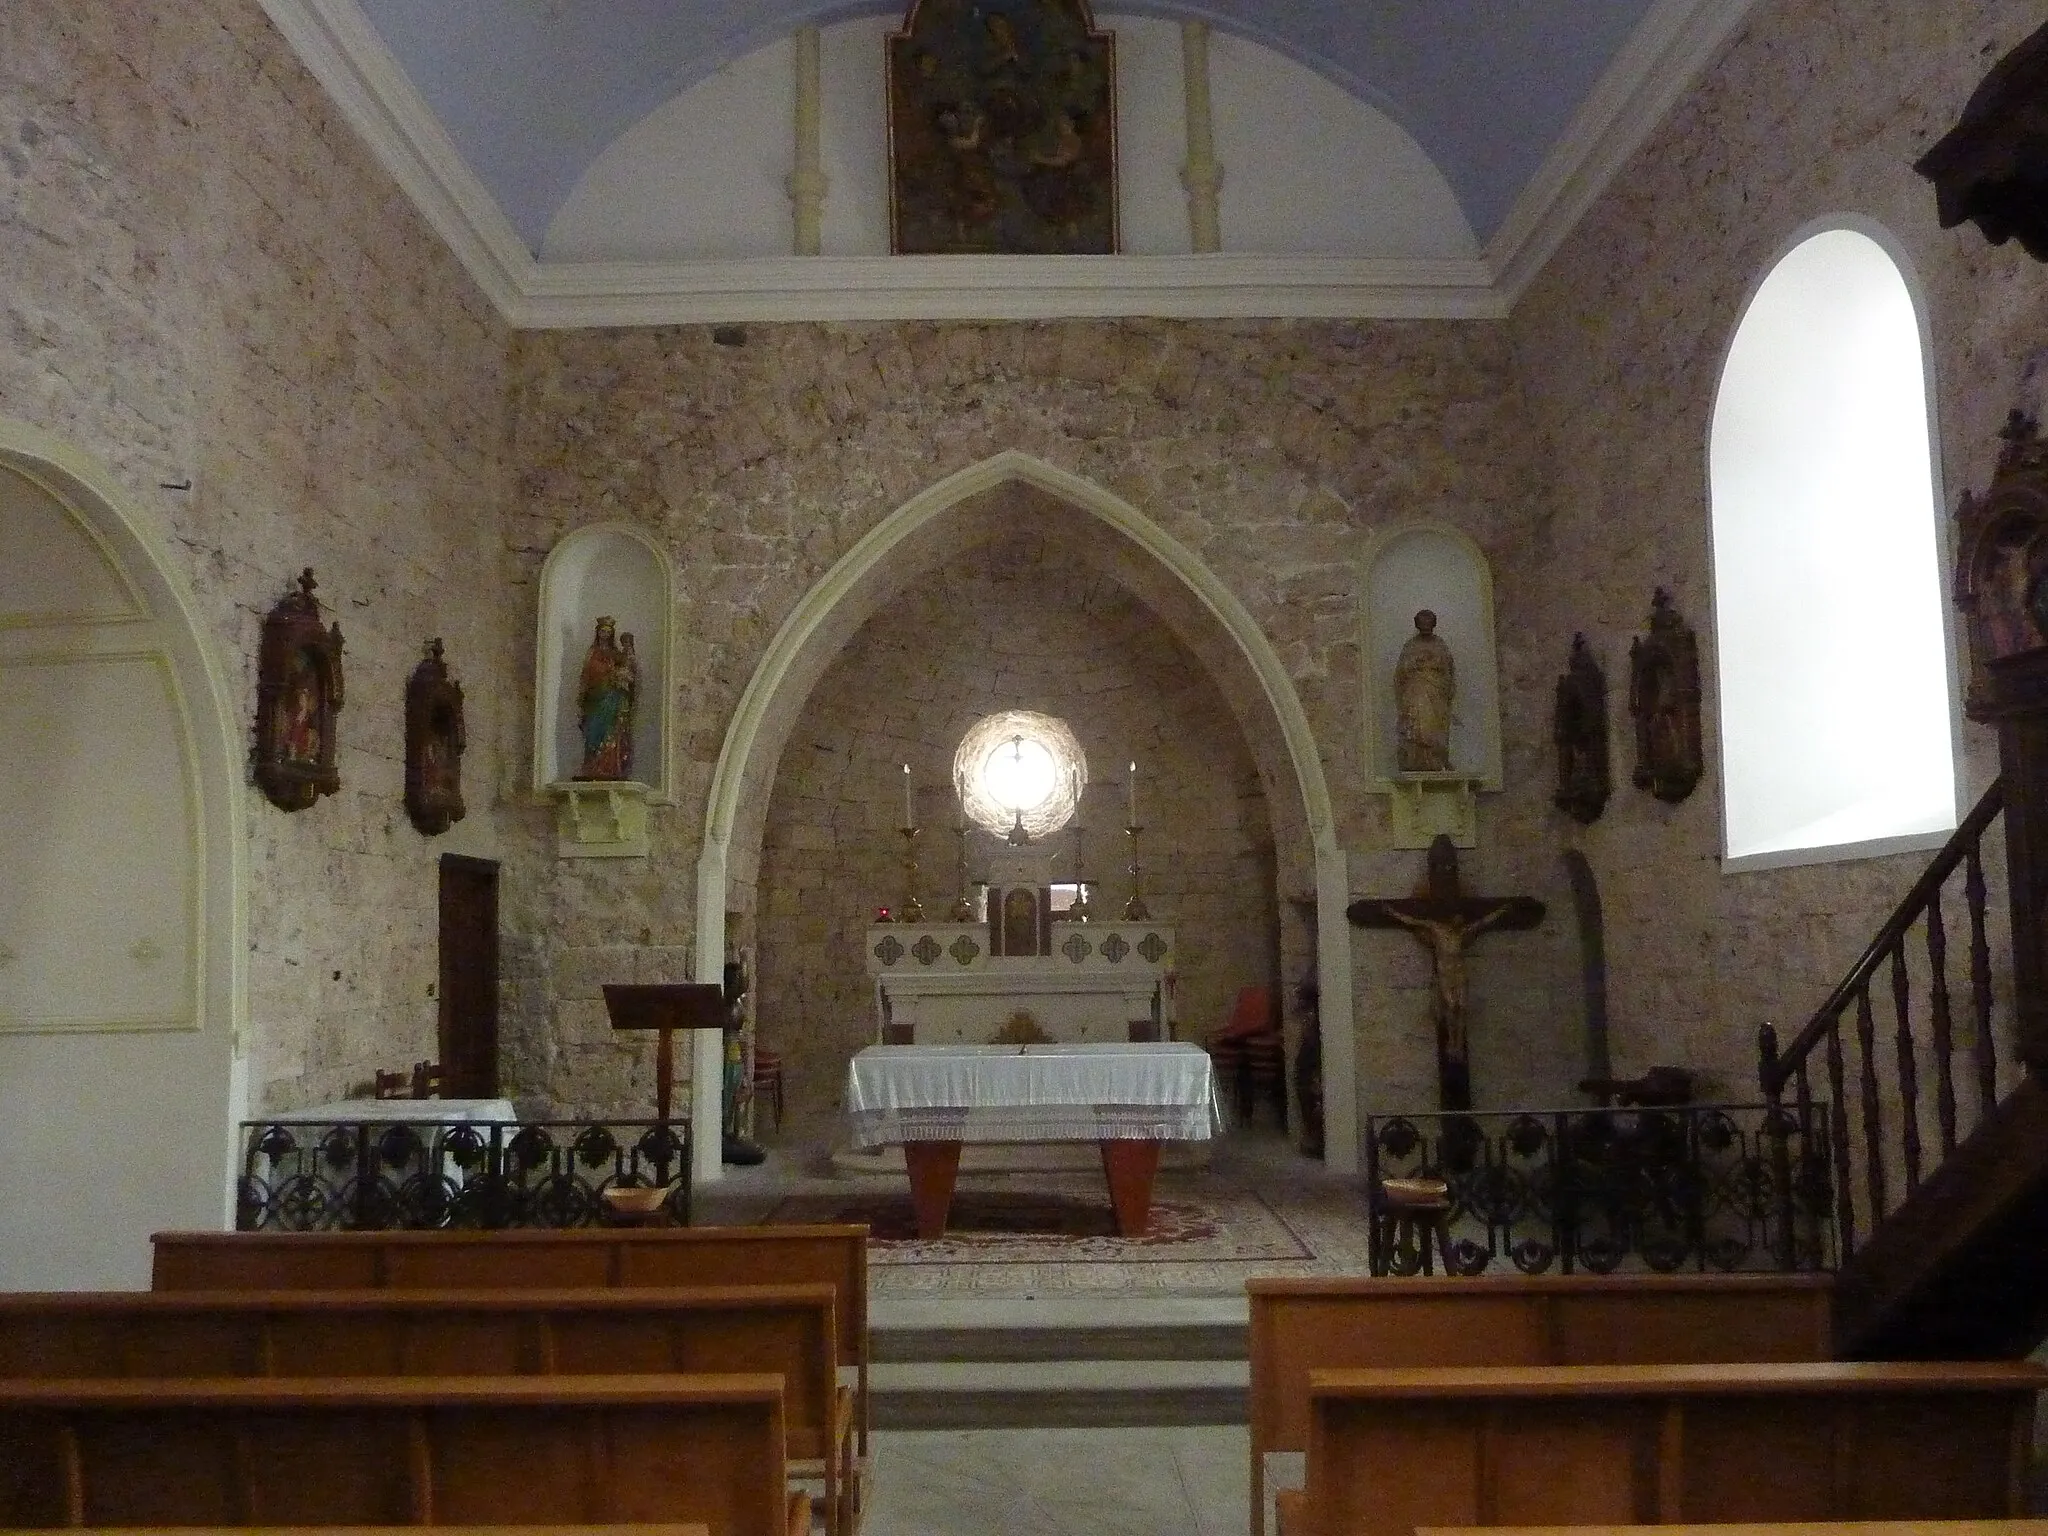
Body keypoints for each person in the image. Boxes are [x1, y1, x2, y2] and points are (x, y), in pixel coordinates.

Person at [575, 617, 638, 780]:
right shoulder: (592, 653)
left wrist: (624, 672)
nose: (604, 635)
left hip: (612, 698)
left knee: (612, 730)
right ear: (597, 632)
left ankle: (610, 768)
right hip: (595, 699)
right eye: (602, 631)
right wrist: (611, 675)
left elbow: (629, 670)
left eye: (608, 633)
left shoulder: (616, 654)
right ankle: (592, 766)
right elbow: (587, 676)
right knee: (593, 731)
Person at [1394, 609, 1455, 771]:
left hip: (1436, 693)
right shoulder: (1410, 646)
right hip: (1415, 693)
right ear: (1418, 624)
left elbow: (1449, 669)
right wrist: (1416, 663)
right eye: (1422, 623)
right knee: (1417, 726)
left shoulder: (1440, 645)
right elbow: (1401, 672)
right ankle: (1415, 761)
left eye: (1429, 623)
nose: (1426, 626)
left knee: (1434, 725)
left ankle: (1437, 759)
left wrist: (1435, 665)